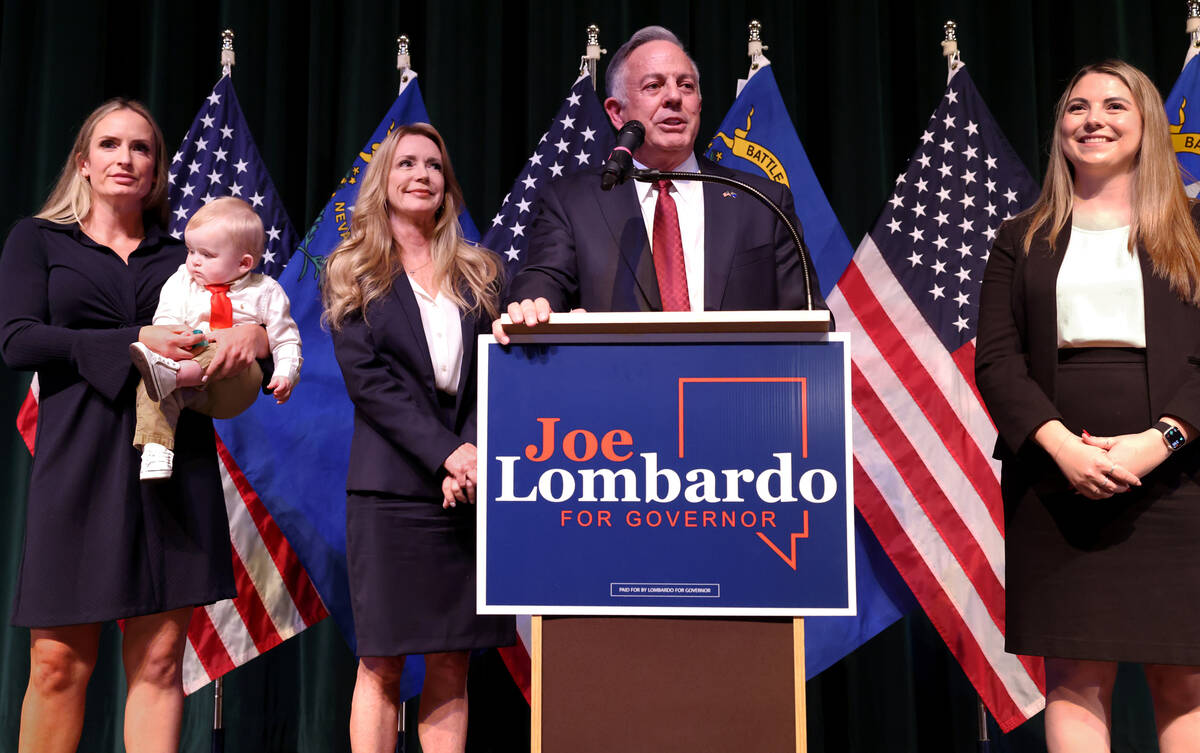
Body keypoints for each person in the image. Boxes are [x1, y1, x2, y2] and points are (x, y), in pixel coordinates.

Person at [0, 99, 268, 753]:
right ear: (83, 163)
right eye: (111, 145)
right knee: (58, 666)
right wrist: (132, 340)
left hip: (172, 466)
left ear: (156, 171)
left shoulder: (186, 254)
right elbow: (19, 340)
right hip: (77, 463)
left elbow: (256, 307)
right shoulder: (38, 241)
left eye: (142, 148)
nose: (126, 158)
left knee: (158, 663)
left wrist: (255, 333)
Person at [976, 60, 1200, 752]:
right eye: (1077, 107)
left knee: (1186, 676)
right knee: (1073, 676)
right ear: (1060, 128)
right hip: (1055, 482)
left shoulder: (1195, 230)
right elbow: (998, 361)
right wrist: (1064, 448)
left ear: (1147, 125)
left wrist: (1159, 440)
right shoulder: (1022, 236)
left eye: (1113, 106)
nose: (1092, 119)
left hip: (1180, 478)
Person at [323, 122, 515, 753]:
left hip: (468, 491)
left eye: (434, 164)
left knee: (453, 658)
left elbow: (498, 377)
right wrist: (447, 453)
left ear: (447, 185)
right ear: (384, 181)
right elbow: (370, 386)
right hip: (390, 497)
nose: (422, 174)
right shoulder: (352, 271)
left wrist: (472, 457)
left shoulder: (482, 272)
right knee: (381, 660)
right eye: (406, 163)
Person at [494, 25, 828, 343]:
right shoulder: (573, 201)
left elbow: (809, 319)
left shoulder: (762, 201)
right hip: (622, 391)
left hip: (740, 395)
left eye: (686, 86)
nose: (674, 97)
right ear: (616, 112)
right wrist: (532, 302)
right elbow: (543, 278)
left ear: (698, 103)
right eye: (654, 86)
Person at [129, 196, 302, 480]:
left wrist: (286, 373)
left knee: (221, 341)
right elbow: (165, 322)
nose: (194, 262)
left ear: (244, 263)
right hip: (191, 384)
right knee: (149, 385)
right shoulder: (181, 280)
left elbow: (285, 339)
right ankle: (156, 449)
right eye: (190, 250)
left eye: (206, 255)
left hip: (235, 383)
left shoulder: (265, 291)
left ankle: (172, 375)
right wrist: (178, 339)